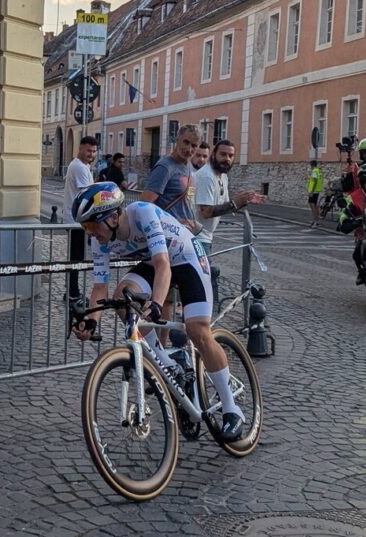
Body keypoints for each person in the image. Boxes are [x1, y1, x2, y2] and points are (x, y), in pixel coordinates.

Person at [69, 182, 246, 441]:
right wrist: (92, 321)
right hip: (152, 263)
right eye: (86, 227)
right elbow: (100, 286)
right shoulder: (101, 241)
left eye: (93, 226)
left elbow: (165, 266)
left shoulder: (143, 213)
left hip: (186, 259)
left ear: (114, 217)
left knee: (197, 330)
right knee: (122, 297)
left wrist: (156, 304)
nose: (91, 233)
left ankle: (232, 408)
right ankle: (167, 362)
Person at [195, 140, 265, 309]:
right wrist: (235, 203)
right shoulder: (206, 176)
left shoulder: (222, 176)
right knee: (199, 284)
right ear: (214, 155)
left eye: (231, 155)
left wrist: (243, 201)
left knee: (201, 281)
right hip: (196, 236)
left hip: (206, 235)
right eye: (223, 154)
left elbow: (224, 205)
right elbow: (206, 211)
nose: (226, 159)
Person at [142, 124, 201, 235]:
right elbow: (144, 205)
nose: (189, 149)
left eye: (194, 145)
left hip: (184, 234)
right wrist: (176, 221)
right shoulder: (165, 167)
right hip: (167, 236)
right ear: (177, 140)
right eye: (186, 142)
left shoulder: (188, 166)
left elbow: (188, 199)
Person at [63, 136, 98, 301]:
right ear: (80, 149)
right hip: (76, 220)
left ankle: (72, 290)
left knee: (76, 257)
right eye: (88, 150)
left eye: (94, 151)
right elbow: (88, 194)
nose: (91, 154)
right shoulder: (79, 167)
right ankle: (72, 293)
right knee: (76, 259)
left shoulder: (83, 166)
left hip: (77, 219)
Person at [307, 160, 323, 227]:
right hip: (318, 190)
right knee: (316, 206)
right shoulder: (319, 170)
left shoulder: (314, 171)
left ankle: (315, 221)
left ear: (312, 165)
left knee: (312, 205)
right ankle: (317, 220)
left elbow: (315, 181)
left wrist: (312, 191)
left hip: (314, 191)